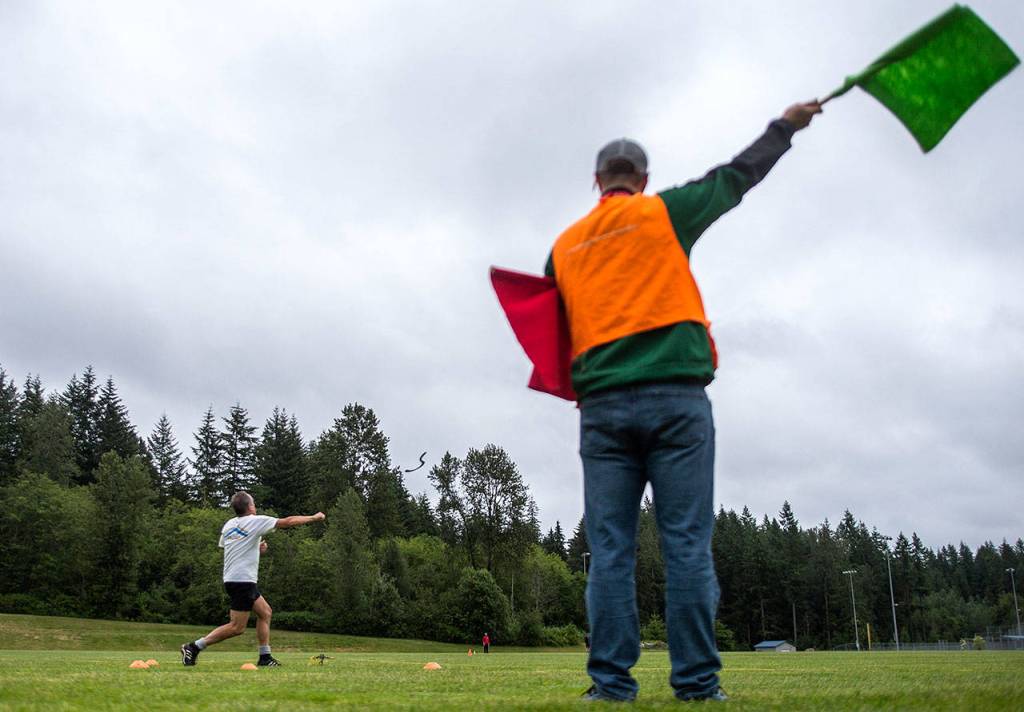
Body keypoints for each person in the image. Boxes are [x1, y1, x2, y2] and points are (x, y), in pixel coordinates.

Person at [545, 101, 822, 702]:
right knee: (687, 545)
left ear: (597, 182)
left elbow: (550, 327)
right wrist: (785, 127)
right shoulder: (664, 213)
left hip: (601, 410)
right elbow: (734, 178)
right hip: (677, 400)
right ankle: (698, 685)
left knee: (611, 551)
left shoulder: (562, 247)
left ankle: (610, 687)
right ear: (642, 181)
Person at [180, 492, 325, 667]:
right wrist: (314, 517)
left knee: (265, 612)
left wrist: (257, 548)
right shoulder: (254, 521)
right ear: (250, 507)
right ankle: (194, 646)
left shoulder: (229, 525)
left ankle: (265, 657)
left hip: (236, 579)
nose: (255, 506)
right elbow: (287, 521)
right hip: (242, 581)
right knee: (236, 627)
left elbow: (233, 547)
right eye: (254, 503)